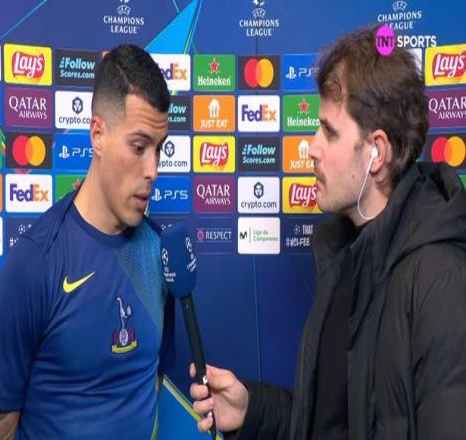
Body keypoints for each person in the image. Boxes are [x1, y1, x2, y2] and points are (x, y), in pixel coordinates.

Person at [190, 25, 466, 440]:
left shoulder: (441, 280)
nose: (311, 147)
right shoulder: (342, 255)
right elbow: (333, 420)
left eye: (329, 132)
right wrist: (253, 409)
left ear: (376, 152)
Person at [0, 44, 174, 439]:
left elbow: (153, 384)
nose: (153, 170)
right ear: (98, 135)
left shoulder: (157, 253)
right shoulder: (36, 263)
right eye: (139, 147)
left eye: (159, 149)